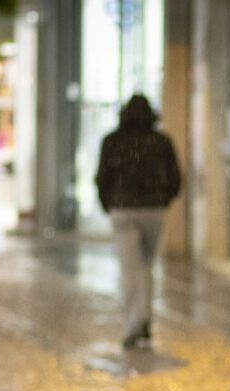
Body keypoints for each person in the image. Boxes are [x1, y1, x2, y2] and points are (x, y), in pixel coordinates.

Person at [95, 94, 181, 349]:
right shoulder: (161, 141)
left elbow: (102, 178)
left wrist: (109, 204)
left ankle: (135, 323)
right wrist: (164, 199)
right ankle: (144, 320)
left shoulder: (113, 141)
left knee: (129, 268)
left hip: (123, 210)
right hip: (152, 210)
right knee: (145, 265)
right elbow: (176, 177)